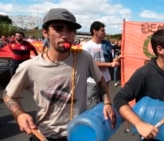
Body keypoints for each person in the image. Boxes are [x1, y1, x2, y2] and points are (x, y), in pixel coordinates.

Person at [2, 8, 115, 141]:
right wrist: (19, 114)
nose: (65, 35)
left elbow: (100, 79)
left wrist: (107, 102)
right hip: (46, 135)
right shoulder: (29, 67)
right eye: (58, 29)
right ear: (45, 32)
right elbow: (8, 95)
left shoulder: (84, 57)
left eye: (70, 30)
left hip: (79, 133)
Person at [84, 21, 120, 109]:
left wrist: (116, 59)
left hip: (105, 79)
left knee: (105, 104)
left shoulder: (106, 45)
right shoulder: (87, 46)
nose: (105, 33)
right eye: (102, 31)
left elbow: (112, 58)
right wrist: (110, 64)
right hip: (92, 81)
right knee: (92, 105)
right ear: (95, 31)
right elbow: (91, 63)